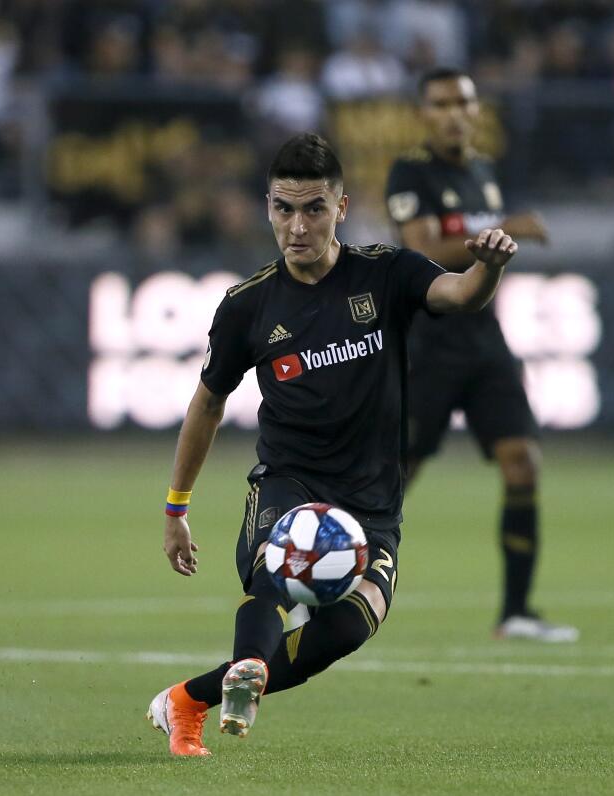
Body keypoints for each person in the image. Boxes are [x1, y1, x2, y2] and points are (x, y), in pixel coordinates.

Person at [148, 133, 519, 757]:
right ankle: (244, 670)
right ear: (267, 207)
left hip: (372, 501)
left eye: (313, 208)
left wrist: (490, 266)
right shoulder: (247, 307)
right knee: (272, 572)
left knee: (348, 628)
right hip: (290, 481)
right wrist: (176, 509)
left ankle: (191, 698)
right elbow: (206, 406)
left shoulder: (386, 272)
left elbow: (458, 294)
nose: (297, 226)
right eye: (283, 208)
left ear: (340, 209)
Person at [383, 67, 577, 643]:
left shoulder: (485, 173)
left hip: (485, 340)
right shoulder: (410, 171)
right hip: (429, 339)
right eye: (440, 103)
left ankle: (516, 612)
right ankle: (332, 582)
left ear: (475, 111)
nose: (452, 113)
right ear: (424, 113)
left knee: (524, 462)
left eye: (461, 103)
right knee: (396, 474)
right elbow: (418, 250)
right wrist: (506, 228)